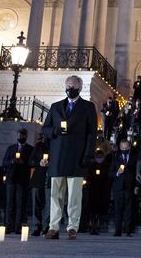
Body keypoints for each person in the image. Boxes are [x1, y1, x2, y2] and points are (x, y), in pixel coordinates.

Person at [42, 75, 97, 240]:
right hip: (58, 156)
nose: (70, 88)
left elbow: (91, 133)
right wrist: (55, 131)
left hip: (77, 156)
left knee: (74, 196)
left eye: (73, 86)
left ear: (79, 88)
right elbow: (45, 129)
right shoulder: (56, 106)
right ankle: (53, 227)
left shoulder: (88, 107)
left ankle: (73, 227)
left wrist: (88, 154)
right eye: (67, 85)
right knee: (55, 195)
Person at [2, 128, 33, 234]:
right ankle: (8, 225)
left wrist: (23, 162)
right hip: (11, 178)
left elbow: (32, 163)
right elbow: (4, 162)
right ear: (17, 136)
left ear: (26, 136)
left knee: (20, 204)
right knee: (9, 203)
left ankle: (17, 226)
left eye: (23, 136)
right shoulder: (11, 148)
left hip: (22, 179)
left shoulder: (30, 149)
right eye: (20, 136)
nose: (21, 137)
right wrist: (12, 161)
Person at [110, 138, 138, 237]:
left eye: (126, 147)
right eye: (122, 147)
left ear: (129, 147)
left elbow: (136, 173)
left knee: (129, 210)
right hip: (118, 188)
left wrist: (136, 186)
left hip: (129, 187)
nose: (124, 149)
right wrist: (117, 173)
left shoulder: (134, 158)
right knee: (118, 210)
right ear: (119, 147)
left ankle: (128, 230)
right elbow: (110, 173)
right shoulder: (116, 157)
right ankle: (118, 231)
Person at [85, 148, 111, 235]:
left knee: (99, 211)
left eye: (101, 157)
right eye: (98, 157)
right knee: (92, 210)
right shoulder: (92, 166)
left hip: (102, 191)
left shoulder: (106, 166)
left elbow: (109, 177)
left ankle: (97, 226)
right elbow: (88, 176)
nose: (99, 159)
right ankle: (92, 225)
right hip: (93, 190)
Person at [28, 133, 49, 236]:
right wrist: (38, 163)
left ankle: (46, 226)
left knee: (48, 204)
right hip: (37, 178)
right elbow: (30, 161)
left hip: (49, 178)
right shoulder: (38, 146)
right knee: (36, 203)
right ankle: (37, 225)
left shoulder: (54, 145)